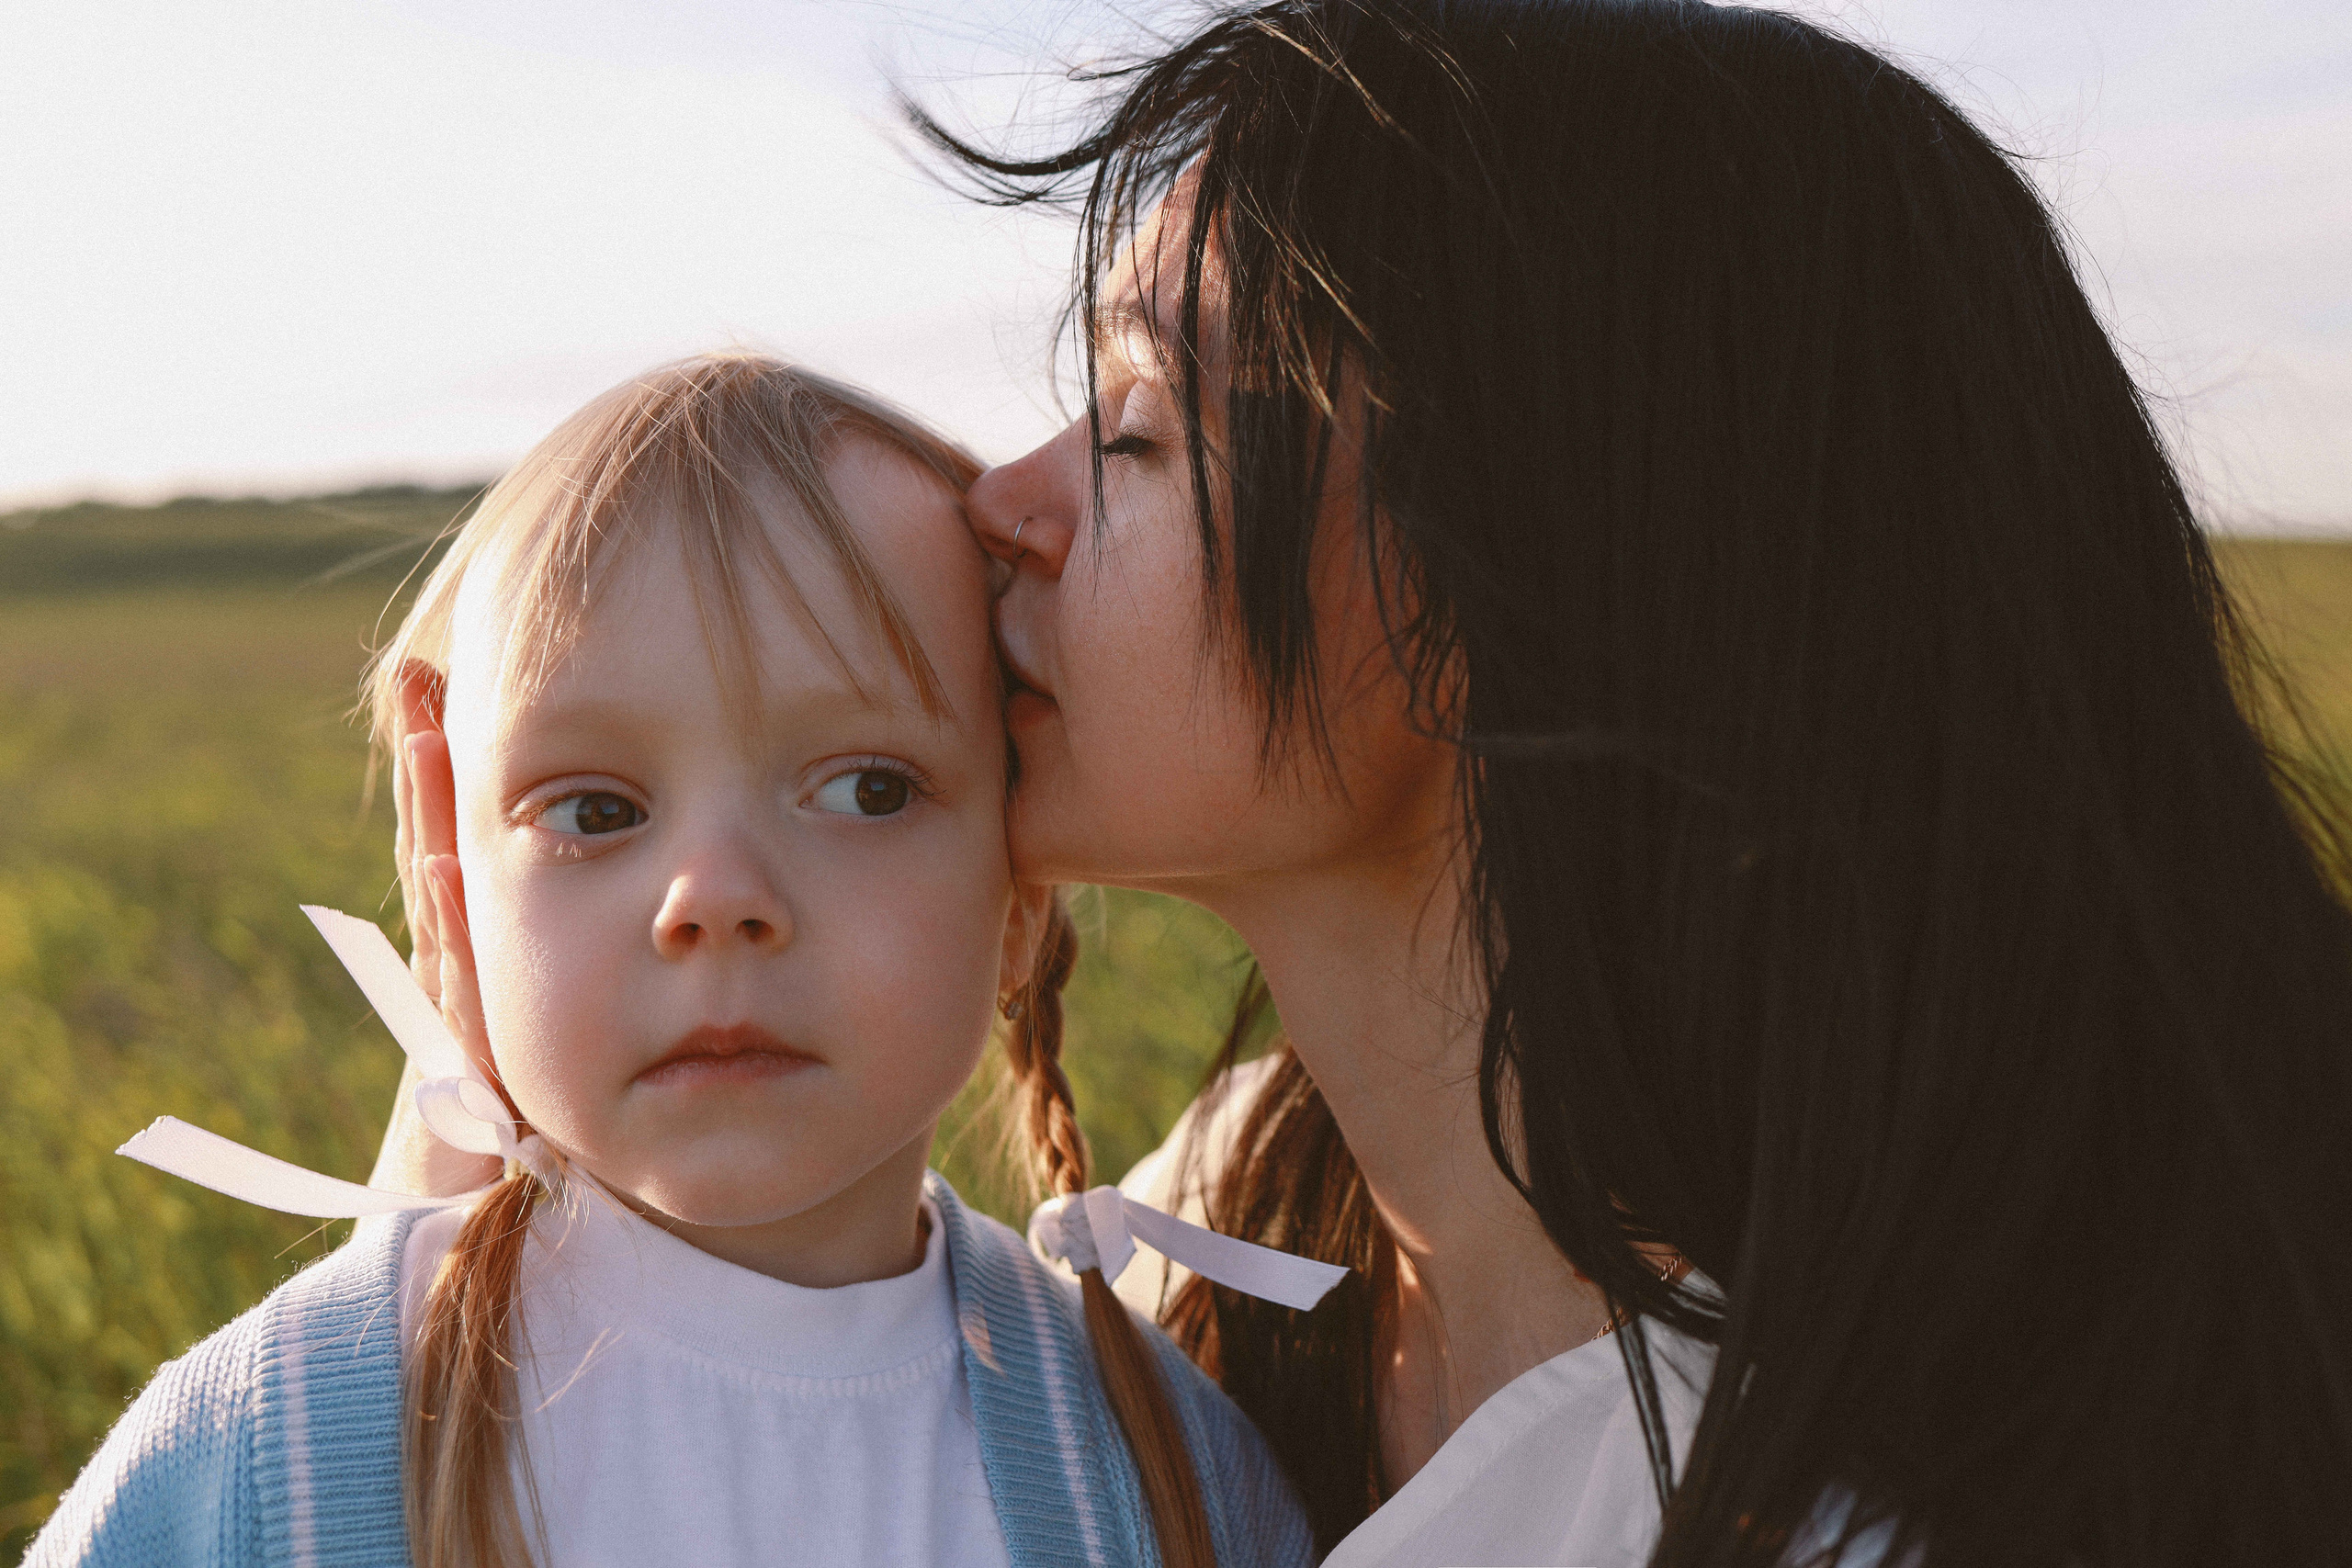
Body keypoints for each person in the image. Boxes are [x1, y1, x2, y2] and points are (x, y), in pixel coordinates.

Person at [910, 2, 2352, 1564]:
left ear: (1512, 552)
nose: (1005, 503)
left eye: (1134, 427)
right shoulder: (1231, 1218)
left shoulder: (1889, 1508)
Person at [30, 355, 1313, 1568]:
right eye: (596, 812)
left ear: (1020, 898)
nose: (716, 898)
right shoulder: (277, 1450)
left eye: (868, 789)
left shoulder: (1159, 1479)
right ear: (453, 885)